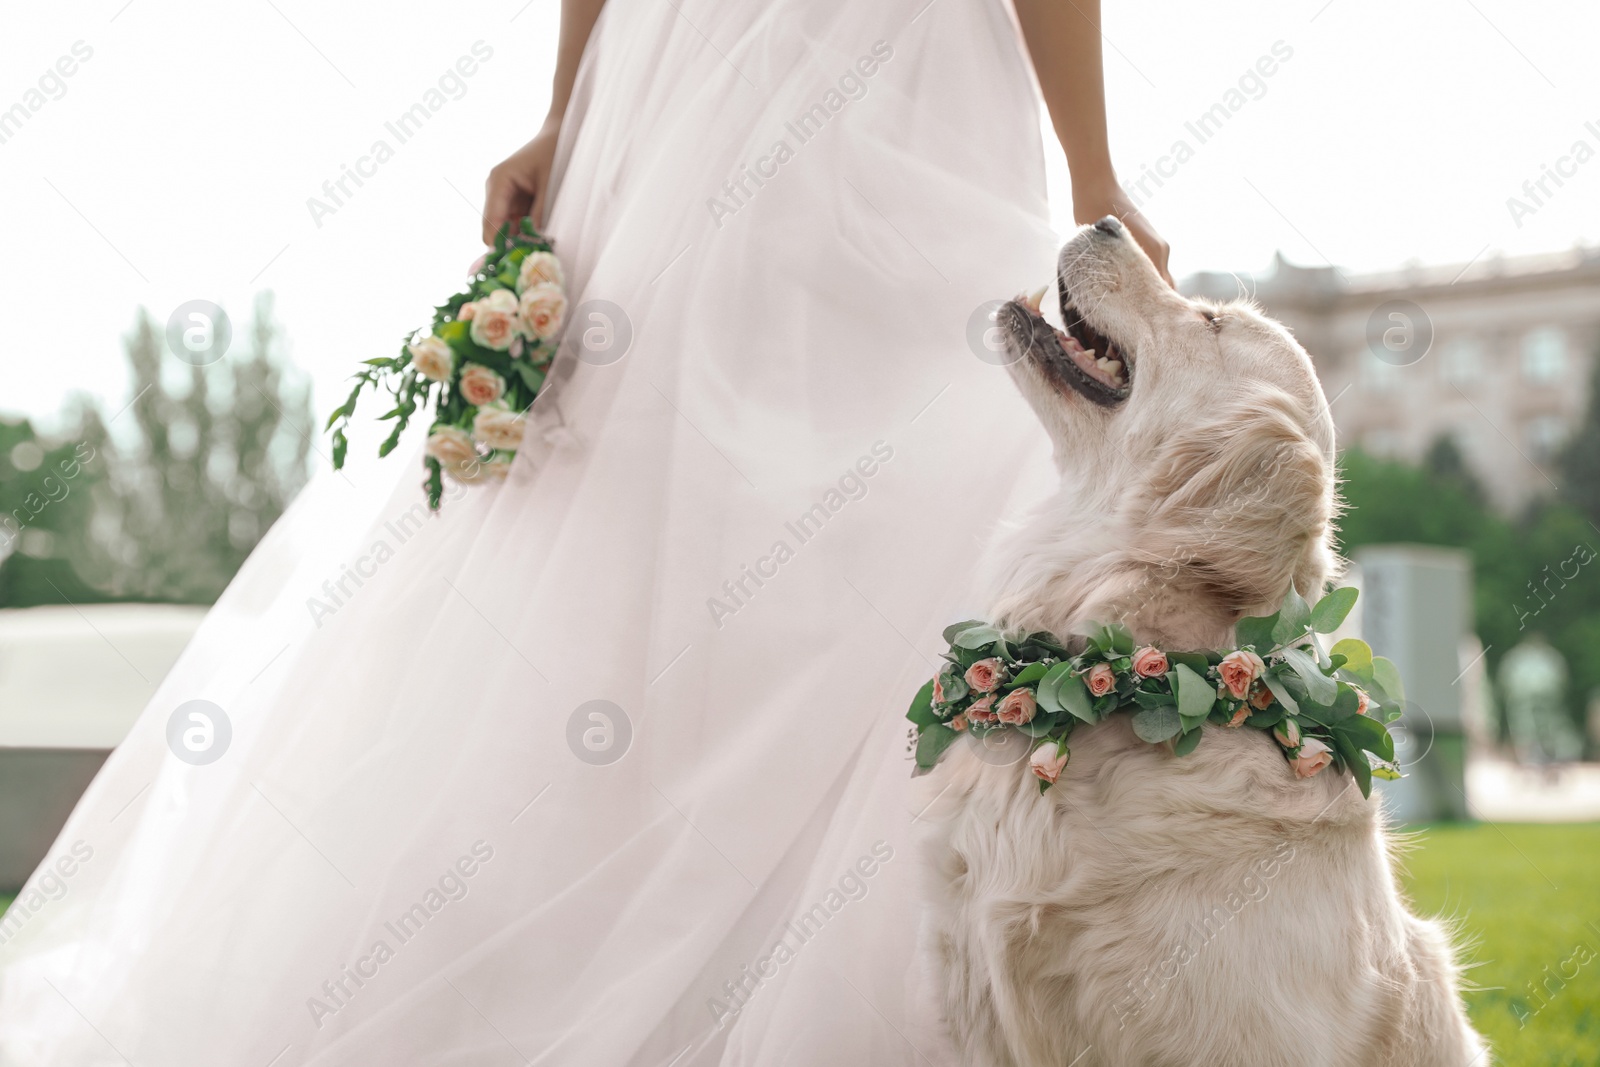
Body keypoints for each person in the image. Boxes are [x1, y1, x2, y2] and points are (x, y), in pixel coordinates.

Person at [0, 1, 1167, 1063]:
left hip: (782, 84)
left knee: (822, 493)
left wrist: (569, 111)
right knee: (702, 510)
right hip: (748, 89)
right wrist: (562, 116)